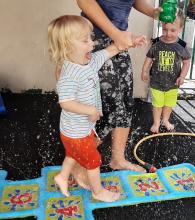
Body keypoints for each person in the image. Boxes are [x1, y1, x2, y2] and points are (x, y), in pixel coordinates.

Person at [48, 15, 146, 202]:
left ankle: (62, 177)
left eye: (91, 38)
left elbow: (111, 50)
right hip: (75, 131)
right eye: (85, 40)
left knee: (72, 154)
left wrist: (132, 41)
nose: (92, 44)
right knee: (93, 161)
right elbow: (65, 103)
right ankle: (98, 191)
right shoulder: (69, 74)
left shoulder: (90, 61)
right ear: (66, 46)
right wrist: (89, 111)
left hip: (82, 129)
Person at [76, 0, 162, 172]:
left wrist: (154, 12)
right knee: (110, 110)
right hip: (93, 40)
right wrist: (116, 34)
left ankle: (118, 159)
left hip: (118, 41)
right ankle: (77, 161)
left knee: (125, 103)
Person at [141, 9, 191, 133]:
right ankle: (156, 123)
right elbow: (149, 58)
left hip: (173, 83)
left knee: (169, 104)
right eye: (165, 29)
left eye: (173, 30)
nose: (168, 33)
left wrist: (183, 76)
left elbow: (186, 61)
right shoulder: (157, 43)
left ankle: (166, 120)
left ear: (180, 28)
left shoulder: (181, 46)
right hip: (156, 82)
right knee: (157, 104)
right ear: (162, 26)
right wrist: (144, 71)